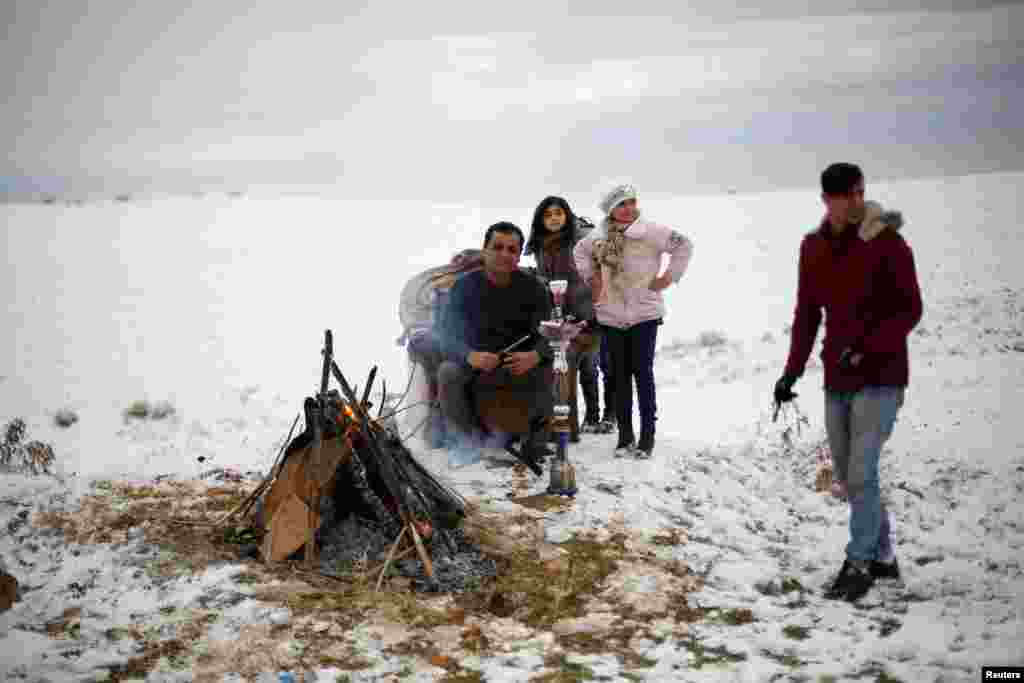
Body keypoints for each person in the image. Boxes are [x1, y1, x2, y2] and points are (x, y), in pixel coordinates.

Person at [774, 162, 923, 602]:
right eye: (847, 195)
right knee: (848, 474)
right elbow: (807, 314)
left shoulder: (890, 244)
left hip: (882, 374)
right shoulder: (813, 247)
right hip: (837, 376)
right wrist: (792, 371)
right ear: (828, 200)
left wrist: (867, 348)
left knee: (861, 470)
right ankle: (884, 557)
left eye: (861, 192)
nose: (857, 201)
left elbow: (910, 309)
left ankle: (858, 564)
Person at [574, 184, 694, 458]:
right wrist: (592, 279)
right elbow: (580, 253)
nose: (628, 208)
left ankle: (647, 439)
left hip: (644, 314)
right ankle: (625, 437)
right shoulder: (598, 237)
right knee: (619, 376)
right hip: (611, 315)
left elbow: (684, 245)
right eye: (621, 204)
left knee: (643, 373)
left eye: (631, 202)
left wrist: (668, 278)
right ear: (611, 210)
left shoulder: (650, 232)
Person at [438, 222, 554, 466]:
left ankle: (536, 442)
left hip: (519, 361)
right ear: (484, 250)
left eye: (512, 250)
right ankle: (467, 441)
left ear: (519, 255)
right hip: (479, 359)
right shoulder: (463, 286)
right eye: (497, 247)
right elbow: (445, 334)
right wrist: (469, 355)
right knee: (448, 371)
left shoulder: (534, 288)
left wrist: (534, 355)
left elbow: (550, 335)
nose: (504, 254)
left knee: (547, 368)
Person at [524, 196, 602, 441]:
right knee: (563, 363)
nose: (554, 218)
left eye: (558, 213)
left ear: (567, 215)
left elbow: (595, 274)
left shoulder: (582, 242)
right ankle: (565, 426)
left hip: (587, 314)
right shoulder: (539, 245)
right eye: (548, 215)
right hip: (557, 316)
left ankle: (591, 416)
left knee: (588, 366)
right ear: (540, 220)